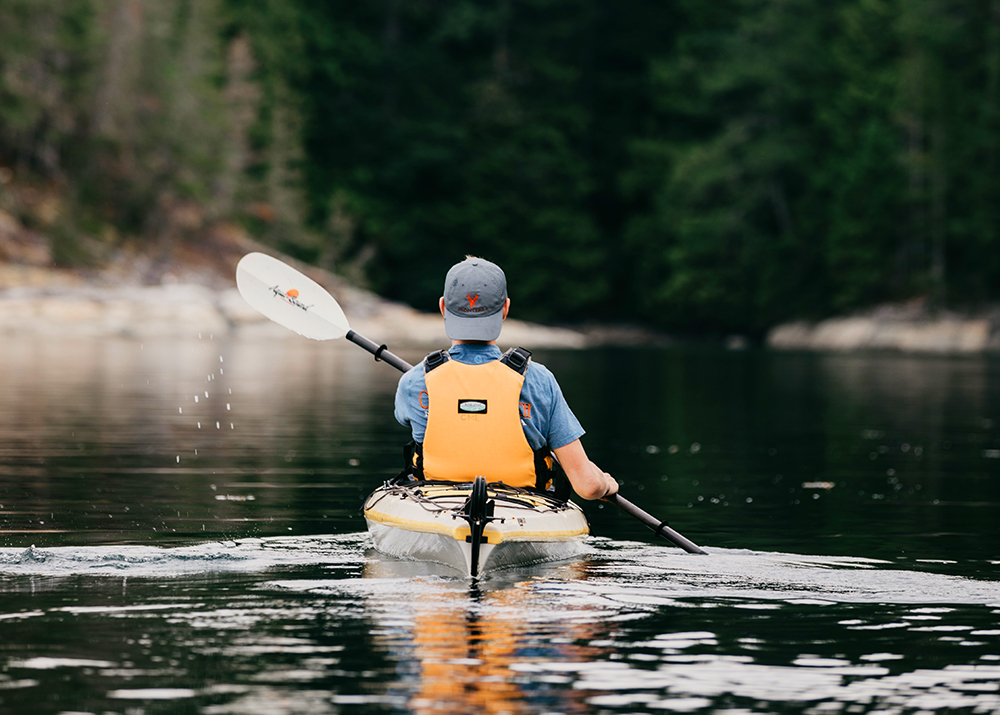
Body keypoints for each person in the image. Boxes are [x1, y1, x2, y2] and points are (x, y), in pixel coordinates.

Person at [394, 256, 618, 501]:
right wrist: (605, 483)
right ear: (505, 309)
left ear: (443, 308)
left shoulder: (415, 380)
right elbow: (588, 487)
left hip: (435, 505)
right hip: (523, 507)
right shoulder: (539, 379)